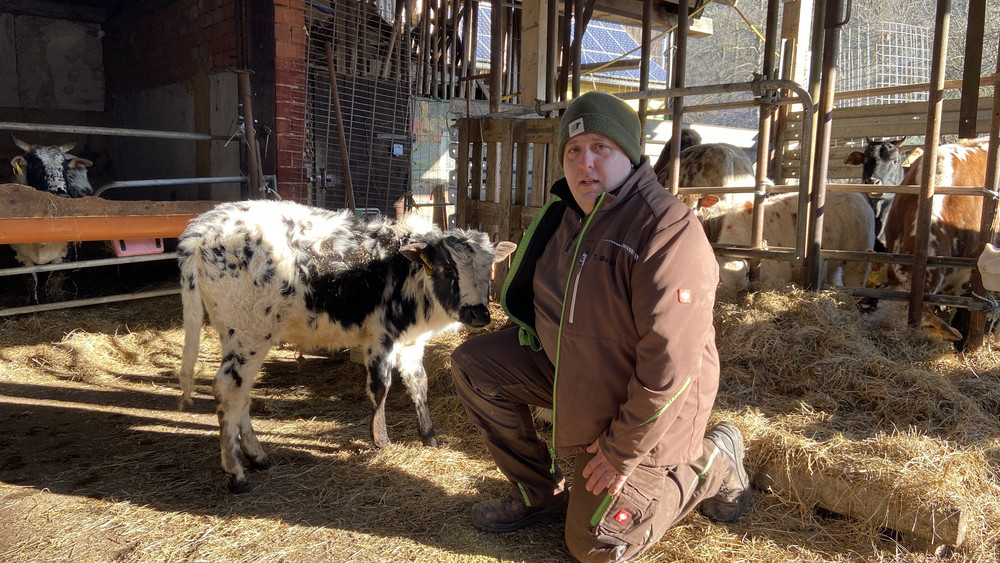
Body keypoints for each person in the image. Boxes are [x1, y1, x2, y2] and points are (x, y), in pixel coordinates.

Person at [450, 90, 750, 562]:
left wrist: (619, 451)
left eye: (600, 147)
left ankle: (713, 462)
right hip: (585, 374)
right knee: (476, 365)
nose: (584, 162)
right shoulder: (566, 217)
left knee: (596, 548)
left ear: (629, 154)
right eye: (573, 150)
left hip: (652, 405)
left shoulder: (666, 228)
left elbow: (670, 365)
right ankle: (540, 495)